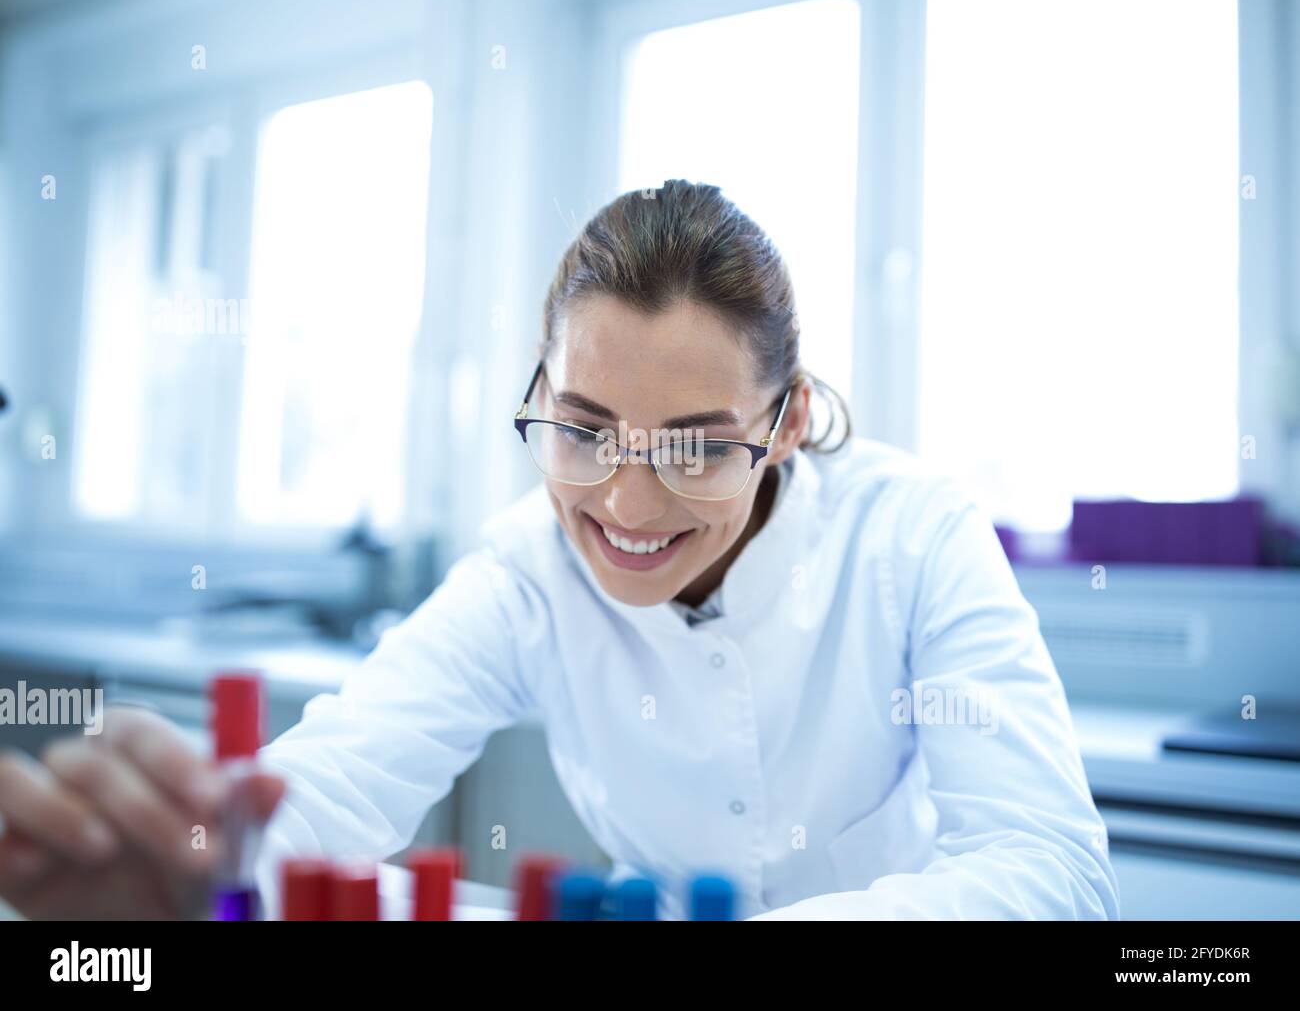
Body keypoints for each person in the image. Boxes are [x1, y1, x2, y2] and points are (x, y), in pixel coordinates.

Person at [0, 180, 1118, 920]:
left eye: (694, 446)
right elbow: (336, 777)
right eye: (582, 429)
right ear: (540, 390)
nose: (626, 503)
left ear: (784, 421)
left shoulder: (913, 533)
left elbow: (1056, 873)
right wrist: (197, 855)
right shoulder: (524, 575)